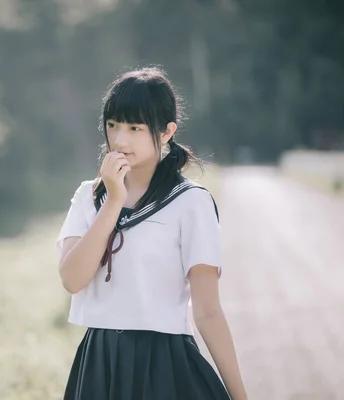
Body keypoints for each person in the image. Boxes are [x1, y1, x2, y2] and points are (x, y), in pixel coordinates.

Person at [56, 67, 247, 400]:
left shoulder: (191, 203)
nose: (120, 139)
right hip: (100, 365)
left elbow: (208, 312)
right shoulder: (89, 197)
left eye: (135, 127)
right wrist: (113, 200)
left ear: (166, 132)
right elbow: (73, 280)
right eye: (113, 125)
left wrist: (240, 396)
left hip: (164, 364)